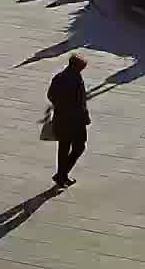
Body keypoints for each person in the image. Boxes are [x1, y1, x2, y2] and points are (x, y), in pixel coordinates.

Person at [48, 53, 90, 187]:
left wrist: (59, 106)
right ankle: (62, 174)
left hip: (61, 119)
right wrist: (85, 118)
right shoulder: (76, 80)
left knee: (63, 148)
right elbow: (80, 103)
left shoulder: (59, 77)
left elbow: (50, 95)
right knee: (79, 147)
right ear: (77, 66)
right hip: (75, 121)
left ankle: (62, 175)